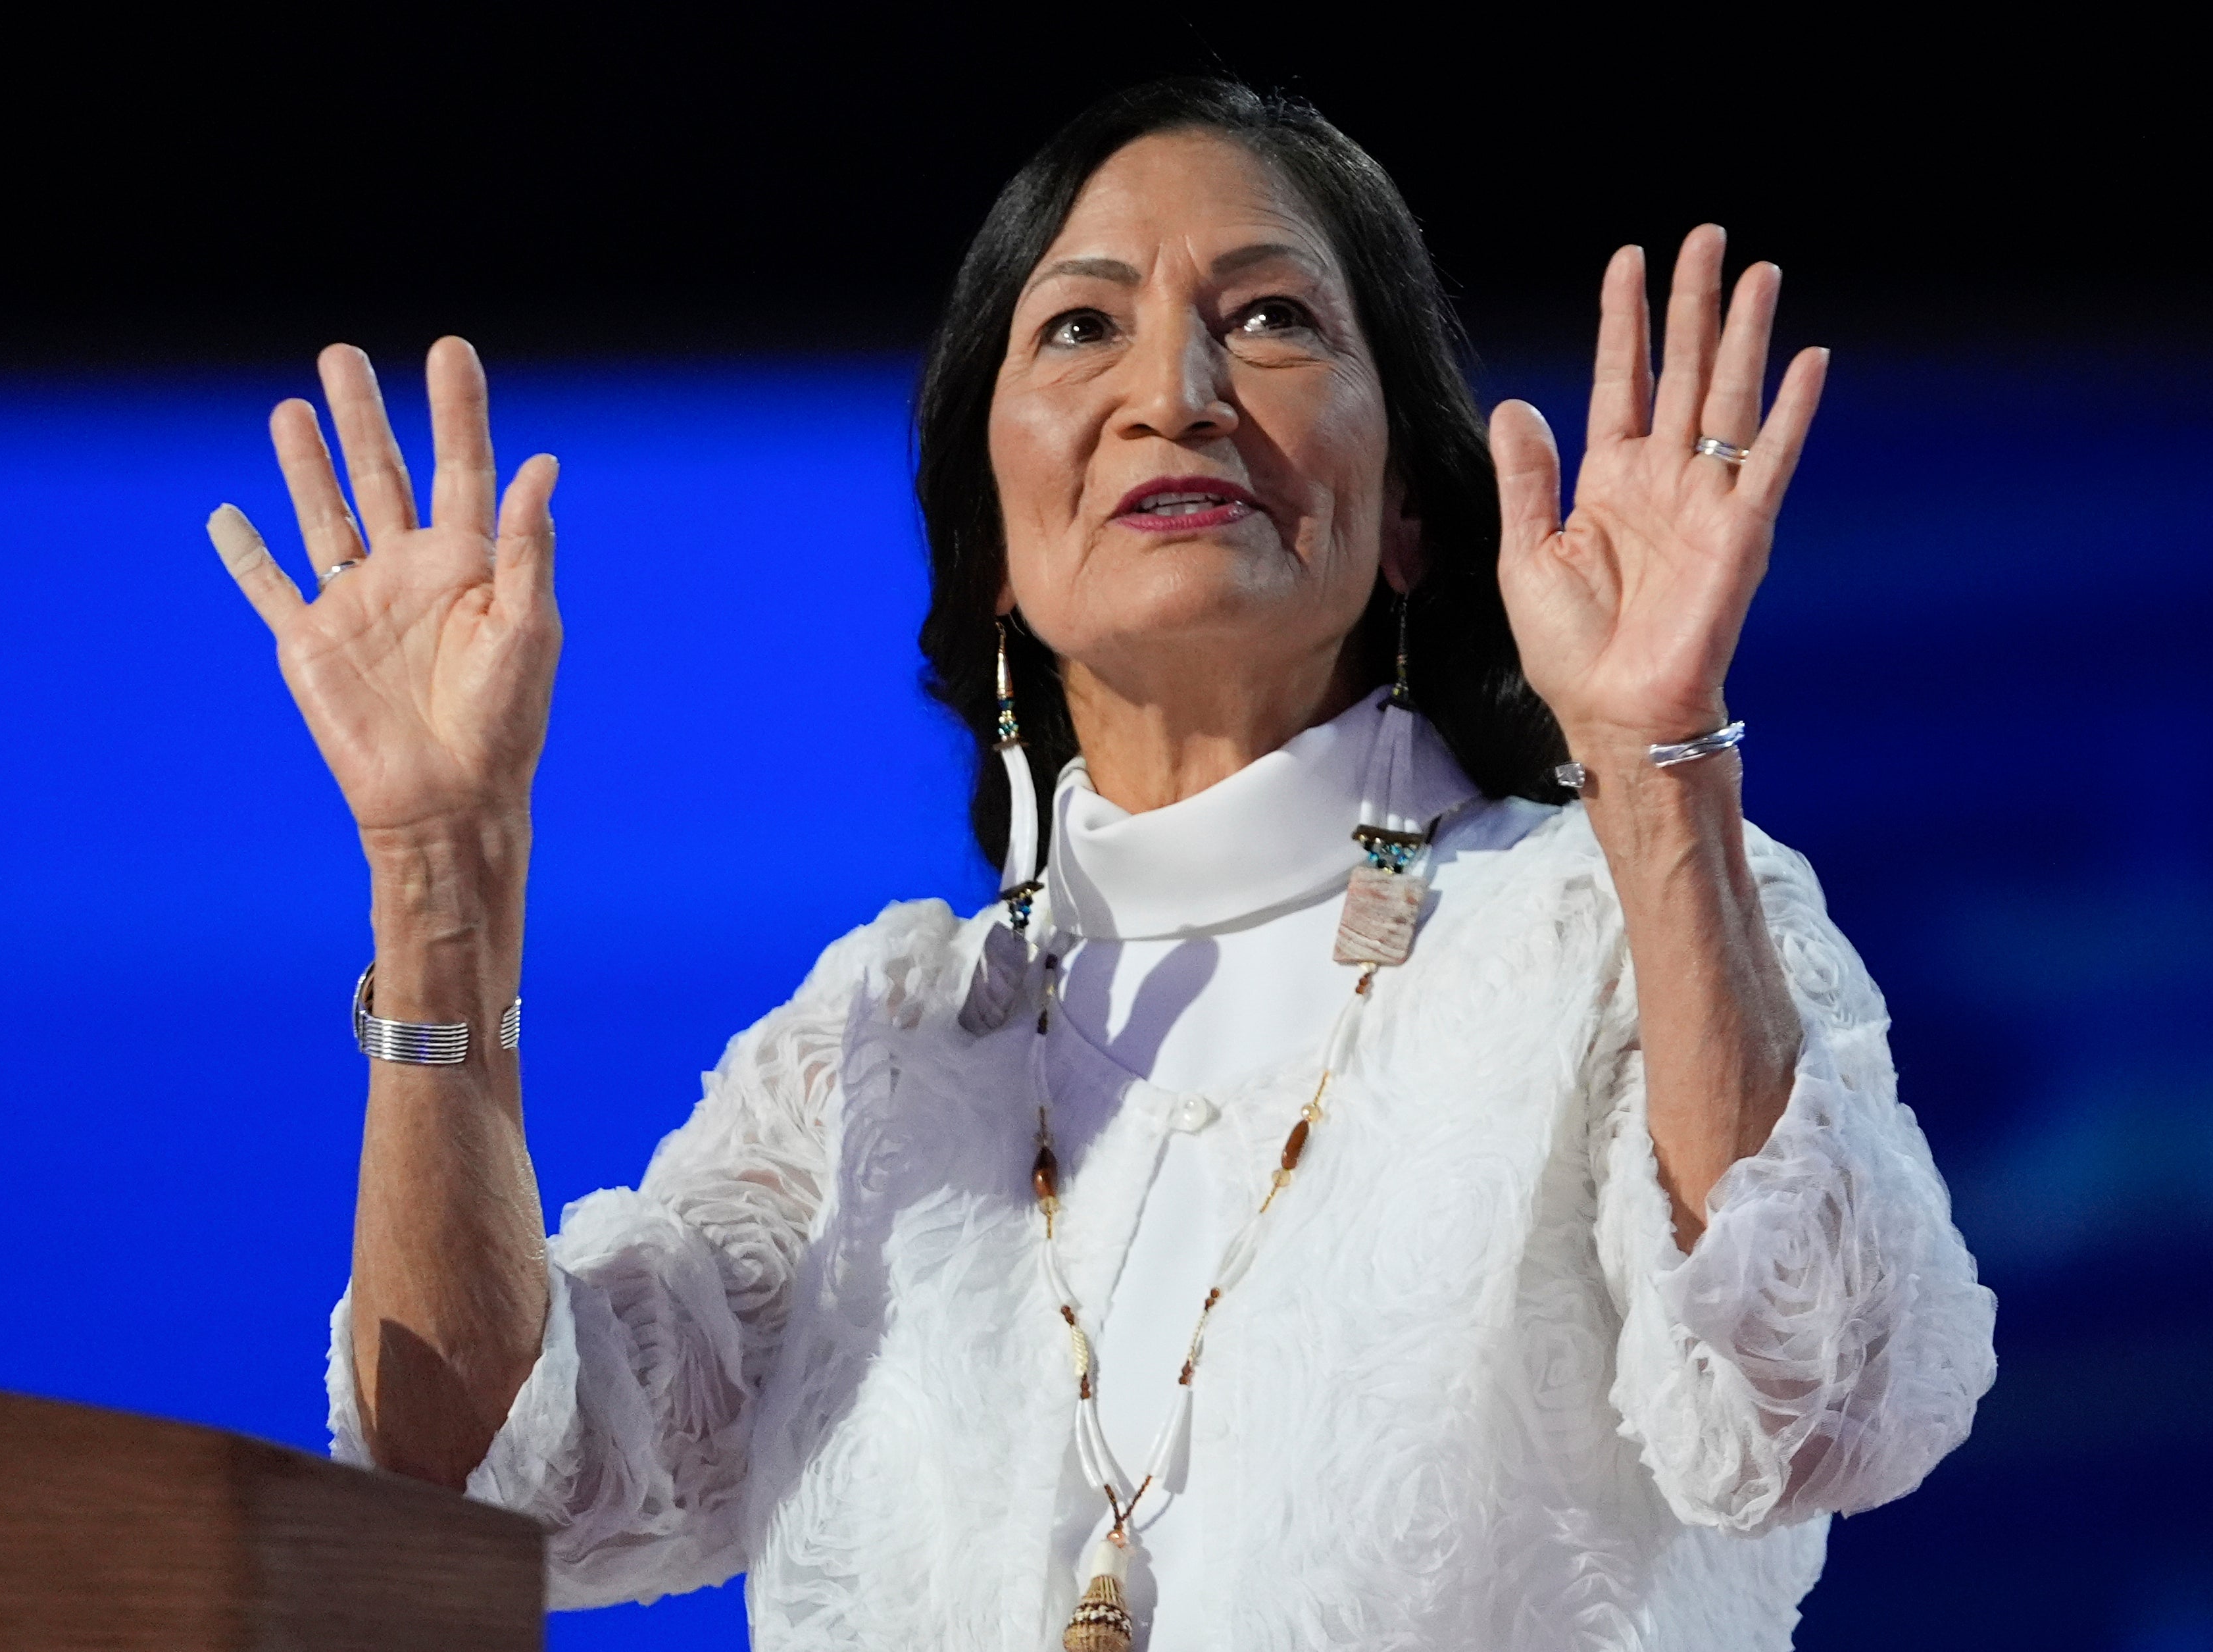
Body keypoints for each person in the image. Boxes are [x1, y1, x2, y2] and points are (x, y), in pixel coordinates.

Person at [208, 77, 1995, 1652]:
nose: (1178, 392)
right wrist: (441, 872)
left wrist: (1647, 762)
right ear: (991, 548)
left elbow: (1820, 1405)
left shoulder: (1597, 934)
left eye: (1276, 317)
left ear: (1409, 522)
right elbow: (473, 1494)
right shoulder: (881, 1045)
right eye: (1081, 330)